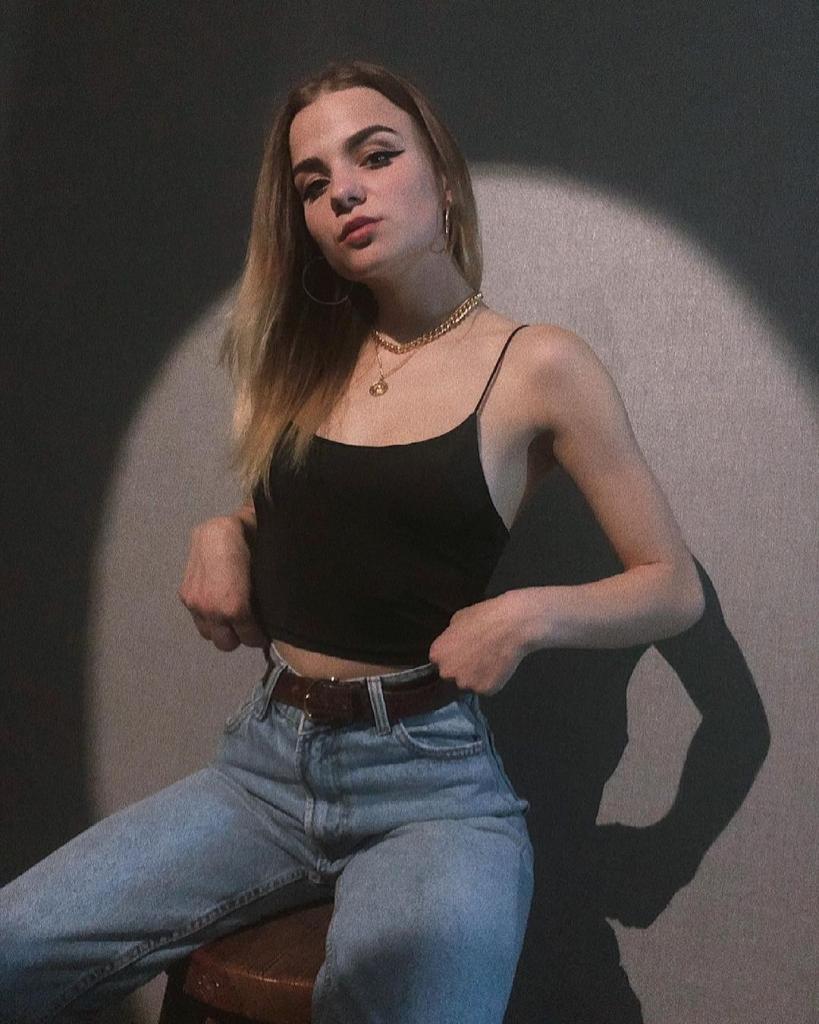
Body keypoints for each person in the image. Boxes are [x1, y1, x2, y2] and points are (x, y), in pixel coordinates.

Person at [0, 59, 705, 1024]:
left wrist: (526, 616)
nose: (342, 191)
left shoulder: (537, 363)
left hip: (430, 788)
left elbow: (670, 586)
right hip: (263, 769)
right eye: (313, 182)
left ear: (442, 179)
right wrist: (223, 527)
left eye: (374, 156)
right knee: (16, 943)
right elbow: (323, 522)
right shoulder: (311, 355)